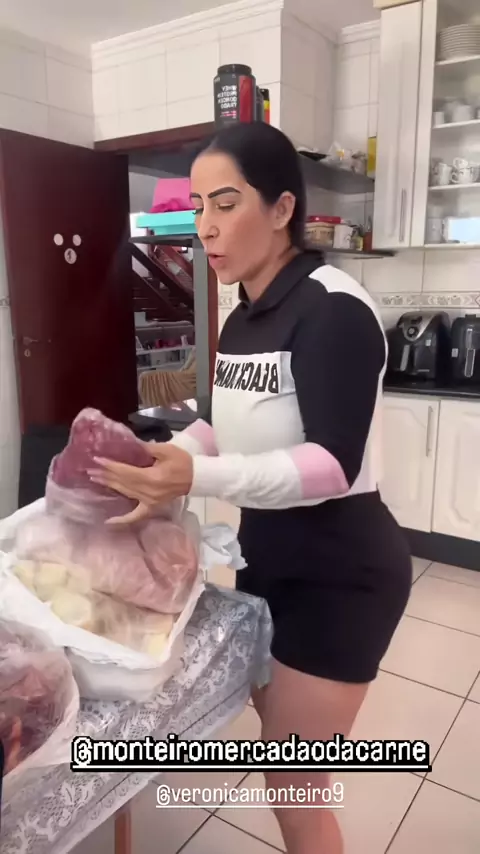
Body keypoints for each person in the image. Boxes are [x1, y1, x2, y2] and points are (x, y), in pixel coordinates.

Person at [90, 122, 412, 854]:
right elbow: (222, 423)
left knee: (296, 790)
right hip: (266, 560)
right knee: (282, 756)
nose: (205, 225)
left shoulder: (334, 309)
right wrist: (169, 460)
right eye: (198, 205)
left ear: (281, 208)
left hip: (339, 576)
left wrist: (198, 476)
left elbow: (332, 464)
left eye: (226, 203)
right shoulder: (241, 317)